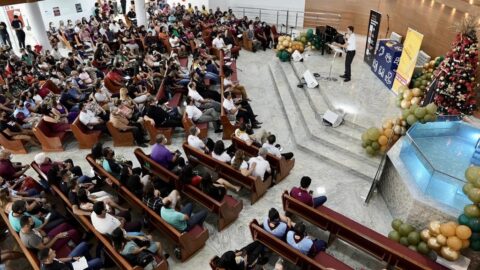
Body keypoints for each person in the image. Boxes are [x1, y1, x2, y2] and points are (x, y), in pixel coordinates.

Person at [37, 246, 103, 270]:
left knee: (83, 244)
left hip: (68, 265)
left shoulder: (45, 259)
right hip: (73, 268)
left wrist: (72, 258)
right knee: (98, 261)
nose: (54, 251)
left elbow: (58, 260)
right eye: (52, 252)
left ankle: (89, 261)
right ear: (48, 259)